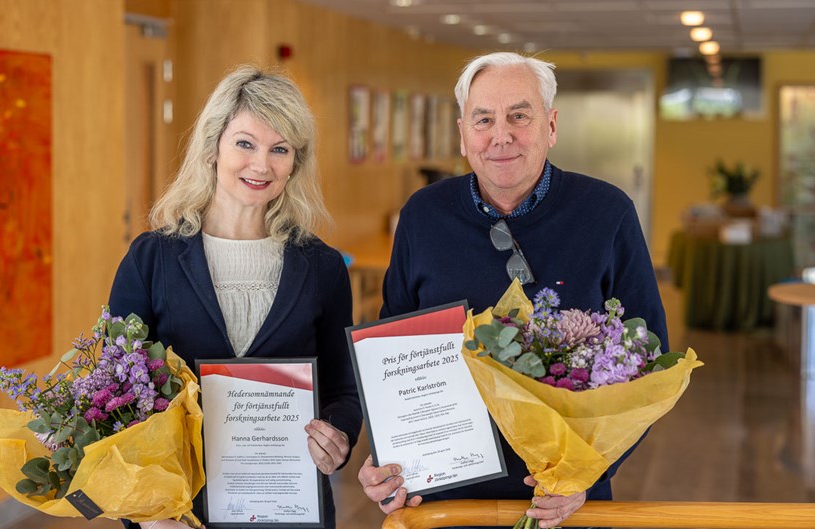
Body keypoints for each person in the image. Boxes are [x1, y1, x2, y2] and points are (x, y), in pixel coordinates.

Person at [356, 52, 668, 528]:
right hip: (445, 501)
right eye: (484, 119)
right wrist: (388, 457)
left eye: (519, 116)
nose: (501, 135)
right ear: (463, 134)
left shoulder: (608, 214)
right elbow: (391, 354)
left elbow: (651, 358)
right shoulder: (422, 216)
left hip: (565, 502)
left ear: (551, 125)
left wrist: (585, 476)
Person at [108, 65, 362, 529]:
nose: (261, 165)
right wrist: (149, 515)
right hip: (177, 514)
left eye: (279, 149)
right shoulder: (152, 259)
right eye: (245, 143)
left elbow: (343, 390)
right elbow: (115, 397)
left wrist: (338, 438)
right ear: (212, 147)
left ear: (295, 162)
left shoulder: (322, 266)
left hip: (289, 507)